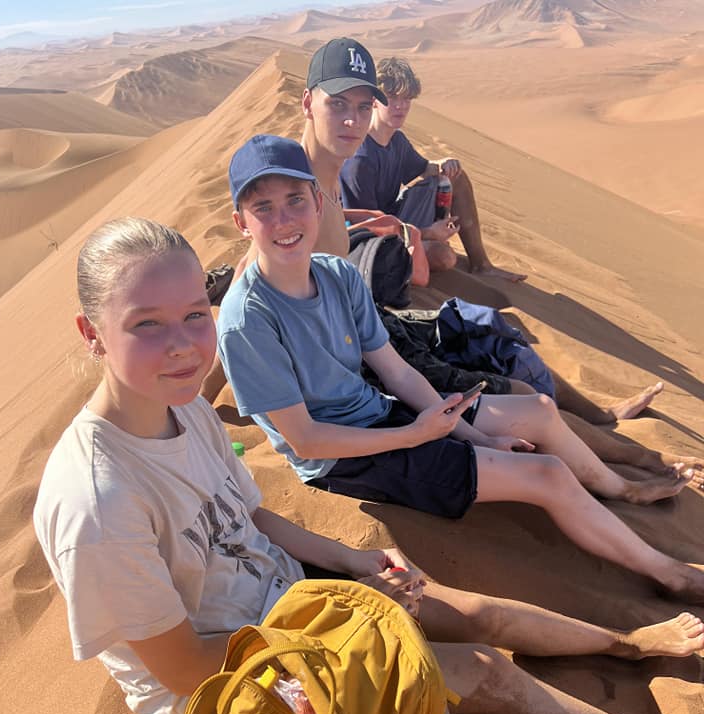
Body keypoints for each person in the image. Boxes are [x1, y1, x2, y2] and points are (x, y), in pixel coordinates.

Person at [33, 215, 704, 714]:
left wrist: (353, 561)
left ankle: (628, 644)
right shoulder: (100, 502)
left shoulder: (183, 409)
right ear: (91, 333)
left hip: (287, 604)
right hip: (235, 685)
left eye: (193, 315)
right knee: (483, 673)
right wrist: (340, 630)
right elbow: (181, 669)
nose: (182, 344)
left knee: (474, 611)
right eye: (146, 324)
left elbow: (250, 517)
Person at [218, 136, 704, 603]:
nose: (283, 219)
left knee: (537, 409)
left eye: (295, 199)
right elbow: (306, 441)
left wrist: (469, 435)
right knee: (548, 475)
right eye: (263, 207)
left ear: (318, 204)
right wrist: (417, 435)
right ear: (241, 222)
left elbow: (397, 372)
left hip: (384, 415)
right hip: (342, 459)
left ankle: (619, 489)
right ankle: (673, 576)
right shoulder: (248, 321)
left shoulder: (337, 274)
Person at [202, 39, 679, 471]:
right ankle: (631, 459)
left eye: (363, 107)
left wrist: (381, 221)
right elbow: (246, 291)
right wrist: (200, 400)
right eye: (338, 106)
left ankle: (601, 417)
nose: (352, 121)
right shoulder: (296, 184)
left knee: (492, 330)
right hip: (361, 364)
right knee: (511, 386)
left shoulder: (329, 169)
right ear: (308, 104)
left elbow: (330, 229)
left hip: (369, 325)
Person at [340, 55, 525, 283]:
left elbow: (423, 169)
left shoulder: (396, 141)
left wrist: (442, 164)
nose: (400, 106)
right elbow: (366, 231)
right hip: (373, 242)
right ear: (375, 100)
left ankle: (481, 264)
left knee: (456, 177)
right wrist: (427, 233)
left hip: (395, 218)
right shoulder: (360, 159)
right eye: (392, 97)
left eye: (407, 98)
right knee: (444, 257)